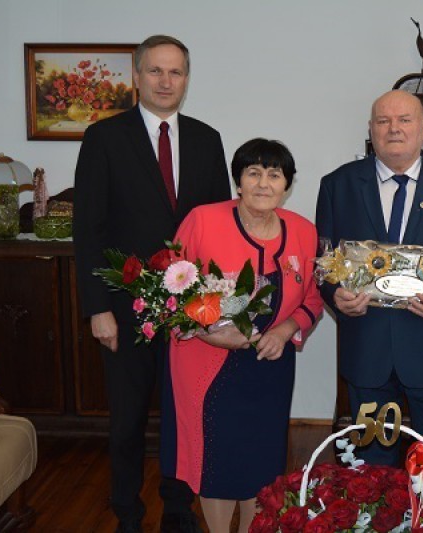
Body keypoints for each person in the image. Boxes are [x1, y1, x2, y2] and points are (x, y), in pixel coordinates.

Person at [73, 35, 231, 533]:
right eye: (156, 71)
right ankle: (127, 511)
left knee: (185, 414)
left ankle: (178, 508)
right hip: (125, 307)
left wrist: (216, 303)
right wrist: (97, 308)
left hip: (191, 308)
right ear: (137, 77)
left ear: (186, 79)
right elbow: (88, 228)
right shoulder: (104, 138)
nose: (166, 81)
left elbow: (219, 225)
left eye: (176, 72)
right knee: (127, 419)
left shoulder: (207, 139)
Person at [315, 90, 423, 466]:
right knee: (371, 470)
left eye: (404, 120)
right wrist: (335, 294)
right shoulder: (338, 185)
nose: (393, 128)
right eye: (383, 121)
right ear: (371, 129)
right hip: (367, 351)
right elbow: (325, 262)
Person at [162, 138, 324, 533]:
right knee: (217, 461)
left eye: (274, 174)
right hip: (209, 365)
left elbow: (313, 299)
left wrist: (286, 330)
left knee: (261, 462)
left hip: (270, 367)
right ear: (238, 181)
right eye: (254, 173)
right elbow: (168, 291)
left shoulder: (303, 232)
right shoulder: (203, 221)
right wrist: (210, 335)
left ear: (287, 185)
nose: (263, 183)